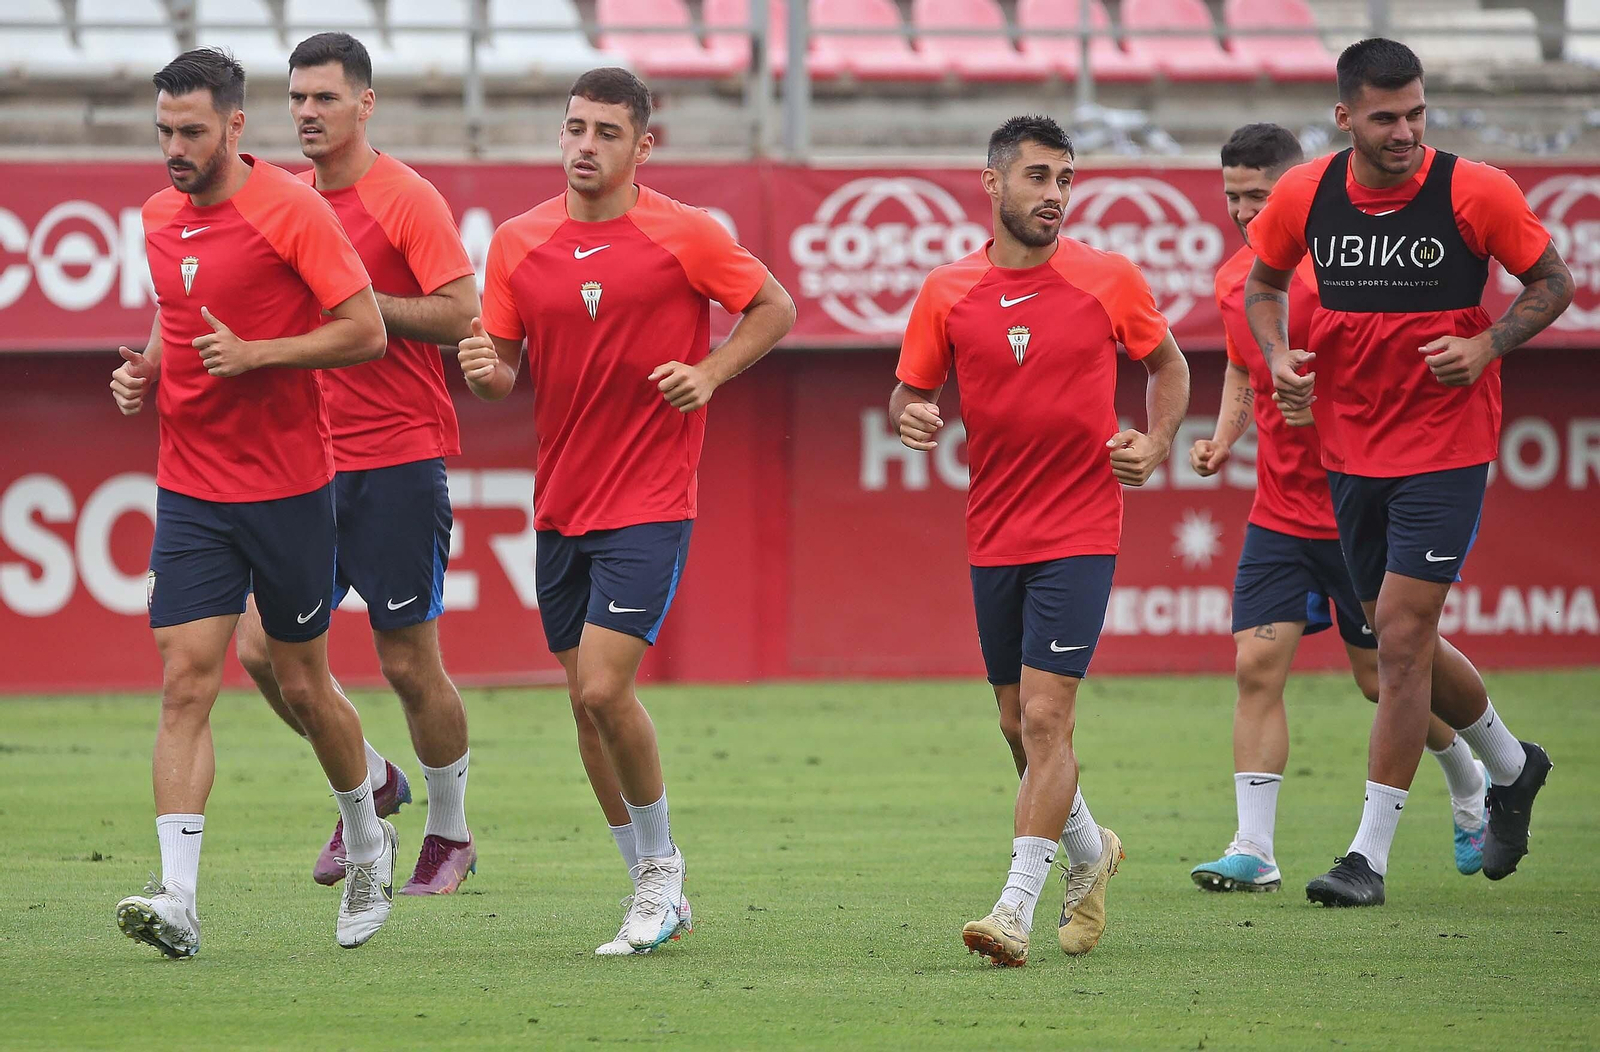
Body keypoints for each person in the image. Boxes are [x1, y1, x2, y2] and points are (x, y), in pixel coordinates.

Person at [456, 67, 796, 954]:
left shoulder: (685, 234)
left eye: (607, 132)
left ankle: (659, 878)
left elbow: (774, 305)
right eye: (575, 128)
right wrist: (486, 373)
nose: (585, 145)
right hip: (561, 504)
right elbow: (499, 365)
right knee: (584, 707)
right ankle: (650, 873)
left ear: (643, 145)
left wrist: (712, 372)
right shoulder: (518, 243)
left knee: (606, 687)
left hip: (650, 500)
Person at [1245, 38, 1572, 905]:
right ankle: (1512, 762)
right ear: (1345, 115)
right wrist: (1276, 354)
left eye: (1416, 113)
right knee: (1401, 637)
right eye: (1386, 117)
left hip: (1448, 446)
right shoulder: (1303, 193)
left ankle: (1368, 858)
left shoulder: (1475, 189)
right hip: (1350, 451)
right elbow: (1263, 285)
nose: (1405, 131)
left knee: (1395, 639)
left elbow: (1553, 281)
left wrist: (1489, 341)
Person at [108, 47, 396, 955]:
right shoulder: (158, 215)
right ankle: (178, 902)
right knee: (185, 681)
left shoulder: (292, 210)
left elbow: (367, 331)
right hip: (191, 488)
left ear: (235, 125)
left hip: (290, 489)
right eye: (164, 131)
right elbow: (176, 306)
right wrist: (150, 370)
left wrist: (262, 354)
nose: (175, 149)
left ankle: (367, 841)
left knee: (304, 683)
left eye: (192, 131)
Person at [892, 115, 1190, 966]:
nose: (1053, 195)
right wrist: (911, 415)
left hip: (1082, 527)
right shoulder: (946, 291)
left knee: (1048, 715)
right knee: (1016, 724)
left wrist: (1157, 439)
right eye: (1036, 178)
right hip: (993, 530)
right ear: (992, 184)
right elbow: (909, 391)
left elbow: (1168, 367)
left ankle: (1015, 908)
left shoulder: (1108, 279)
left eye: (1064, 179)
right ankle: (1095, 855)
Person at [1188, 123, 1489, 894]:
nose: (1246, 211)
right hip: (1279, 513)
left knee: (1380, 678)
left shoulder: (1352, 271)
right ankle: (1254, 849)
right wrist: (1224, 436)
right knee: (1256, 666)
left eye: (1260, 195)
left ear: (1297, 193)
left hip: (1358, 505)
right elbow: (1241, 364)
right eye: (1232, 196)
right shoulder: (1236, 281)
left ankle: (1470, 777)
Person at [228, 32, 481, 895]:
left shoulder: (406, 197)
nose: (306, 113)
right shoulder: (287, 201)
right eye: (296, 98)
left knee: (410, 664)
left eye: (325, 98)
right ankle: (369, 785)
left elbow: (461, 317)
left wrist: (362, 305)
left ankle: (448, 833)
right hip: (304, 462)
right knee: (264, 651)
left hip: (398, 458)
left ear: (365, 104)